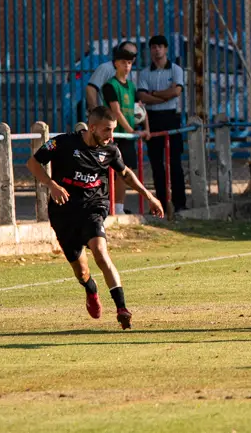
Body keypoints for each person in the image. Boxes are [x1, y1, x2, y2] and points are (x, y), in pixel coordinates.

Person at [27, 106, 164, 330]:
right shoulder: (61, 143)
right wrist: (52, 185)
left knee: (101, 252)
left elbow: (126, 173)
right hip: (63, 211)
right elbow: (33, 163)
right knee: (81, 272)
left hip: (94, 207)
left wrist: (149, 196)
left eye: (113, 131)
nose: (110, 136)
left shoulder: (110, 150)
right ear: (92, 128)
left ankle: (122, 308)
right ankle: (90, 289)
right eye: (107, 130)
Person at [137, 35, 187, 213]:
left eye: (160, 47)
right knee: (157, 164)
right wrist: (163, 95)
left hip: (171, 117)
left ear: (165, 49)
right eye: (153, 47)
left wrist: (154, 94)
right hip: (152, 119)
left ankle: (180, 203)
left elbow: (176, 92)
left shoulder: (176, 70)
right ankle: (161, 205)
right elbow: (142, 96)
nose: (157, 50)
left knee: (175, 163)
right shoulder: (144, 73)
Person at [102, 46, 150, 214]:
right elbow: (116, 111)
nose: (127, 66)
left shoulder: (131, 86)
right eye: (123, 62)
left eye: (129, 63)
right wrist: (131, 131)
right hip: (115, 135)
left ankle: (118, 206)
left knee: (128, 172)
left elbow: (141, 109)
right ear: (116, 64)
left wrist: (146, 129)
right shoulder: (110, 86)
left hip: (128, 136)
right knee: (117, 172)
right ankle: (112, 207)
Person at [86, 41, 139, 117]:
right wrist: (95, 111)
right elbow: (90, 88)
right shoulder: (105, 68)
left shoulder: (129, 72)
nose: (129, 56)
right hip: (107, 118)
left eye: (133, 55)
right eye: (126, 52)